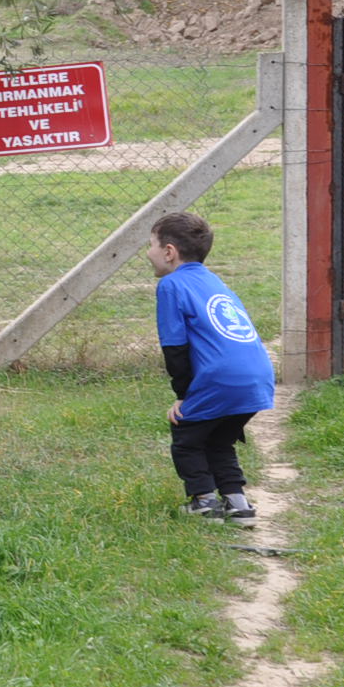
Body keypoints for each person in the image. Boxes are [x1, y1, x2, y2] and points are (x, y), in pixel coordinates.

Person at [147, 211, 274, 528]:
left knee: (187, 433)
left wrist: (183, 397)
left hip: (221, 378)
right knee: (218, 439)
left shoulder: (171, 285)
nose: (147, 253)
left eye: (150, 245)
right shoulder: (213, 280)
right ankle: (237, 503)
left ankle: (204, 501)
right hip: (258, 378)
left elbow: (175, 348)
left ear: (169, 251)